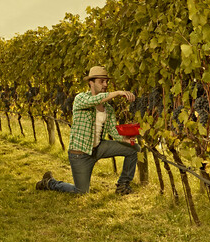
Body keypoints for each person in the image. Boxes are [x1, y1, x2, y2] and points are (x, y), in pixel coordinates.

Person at [36, 66, 139, 195]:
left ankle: (123, 185)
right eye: (101, 81)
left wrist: (124, 139)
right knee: (81, 192)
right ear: (91, 82)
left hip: (99, 148)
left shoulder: (108, 108)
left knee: (133, 148)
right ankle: (50, 183)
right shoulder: (81, 99)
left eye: (106, 81)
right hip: (81, 153)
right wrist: (117, 93)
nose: (105, 84)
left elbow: (113, 130)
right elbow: (94, 100)